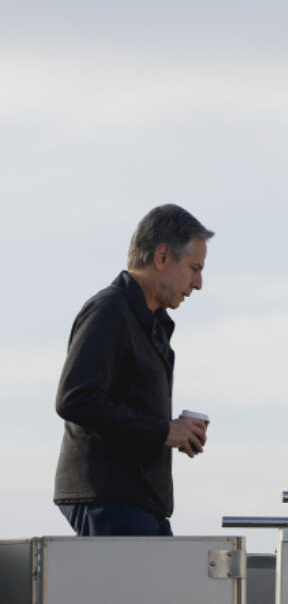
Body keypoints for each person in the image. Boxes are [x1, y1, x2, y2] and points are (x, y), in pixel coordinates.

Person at [53, 204, 214, 536]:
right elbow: (74, 399)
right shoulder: (109, 310)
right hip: (109, 501)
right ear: (162, 257)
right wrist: (163, 431)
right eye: (194, 268)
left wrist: (172, 430)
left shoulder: (150, 322)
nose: (198, 283)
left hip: (138, 504)